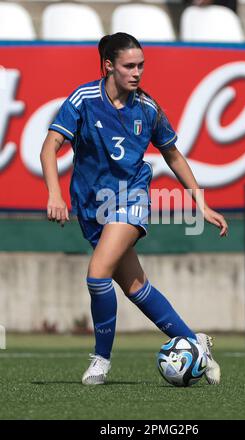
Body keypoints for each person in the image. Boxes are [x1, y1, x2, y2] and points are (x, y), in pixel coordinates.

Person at [40, 32, 228, 386]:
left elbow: (172, 154)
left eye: (141, 65)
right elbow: (49, 147)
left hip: (130, 200)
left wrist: (200, 202)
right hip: (91, 208)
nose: (137, 72)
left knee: (97, 275)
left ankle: (101, 359)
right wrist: (55, 193)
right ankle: (195, 343)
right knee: (135, 286)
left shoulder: (148, 107)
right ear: (108, 66)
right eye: (129, 65)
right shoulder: (83, 99)